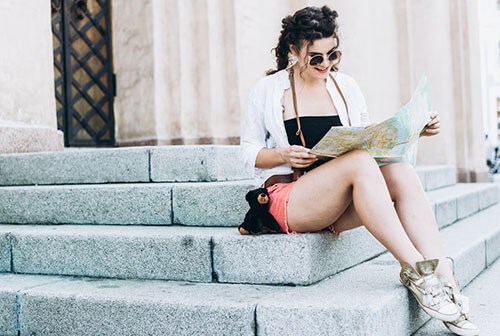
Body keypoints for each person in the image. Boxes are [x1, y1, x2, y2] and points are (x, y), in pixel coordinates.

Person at [239, 6, 479, 336]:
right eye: (316, 58)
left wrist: (412, 131)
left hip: (336, 199)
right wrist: (282, 154)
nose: (326, 65)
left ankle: (441, 274)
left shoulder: (346, 87)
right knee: (359, 162)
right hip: (291, 198)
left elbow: (368, 140)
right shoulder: (268, 90)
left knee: (401, 172)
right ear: (294, 51)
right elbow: (247, 152)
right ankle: (416, 272)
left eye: (332, 54)